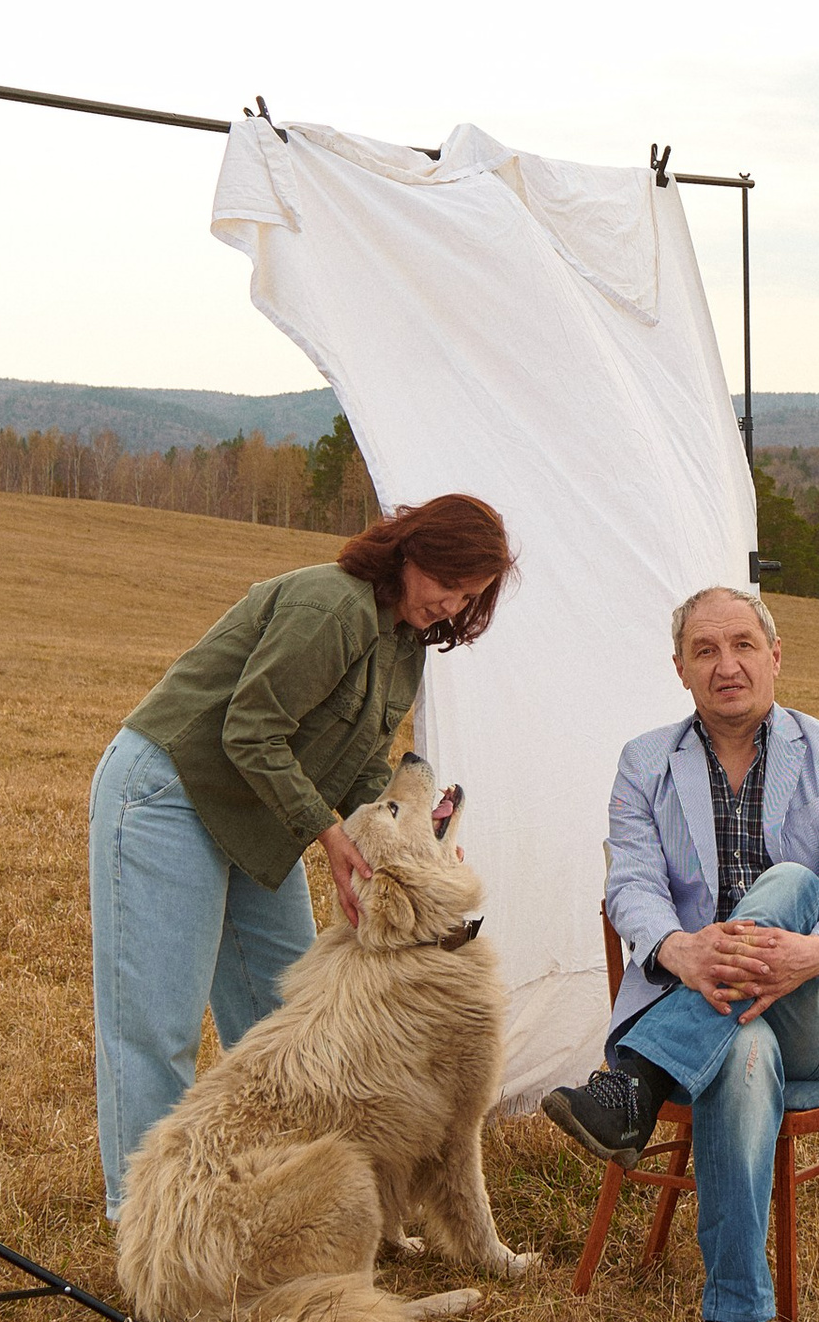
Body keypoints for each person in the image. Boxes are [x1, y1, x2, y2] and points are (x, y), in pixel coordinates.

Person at [88, 493, 515, 1214]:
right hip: (172, 793)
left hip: (257, 812)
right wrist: (329, 835)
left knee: (286, 1017)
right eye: (451, 584)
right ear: (413, 551)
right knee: (155, 1027)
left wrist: (414, 842)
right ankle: (146, 1226)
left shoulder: (405, 645)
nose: (452, 606)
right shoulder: (333, 606)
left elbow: (354, 764)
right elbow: (250, 730)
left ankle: (263, 1211)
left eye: (469, 598)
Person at [542, 582, 819, 1322]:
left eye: (743, 644)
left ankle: (636, 1080)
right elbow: (631, 887)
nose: (727, 664)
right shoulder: (646, 761)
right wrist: (680, 948)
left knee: (786, 881)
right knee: (741, 1053)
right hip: (715, 1006)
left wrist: (814, 951)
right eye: (705, 649)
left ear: (775, 656)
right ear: (679, 669)